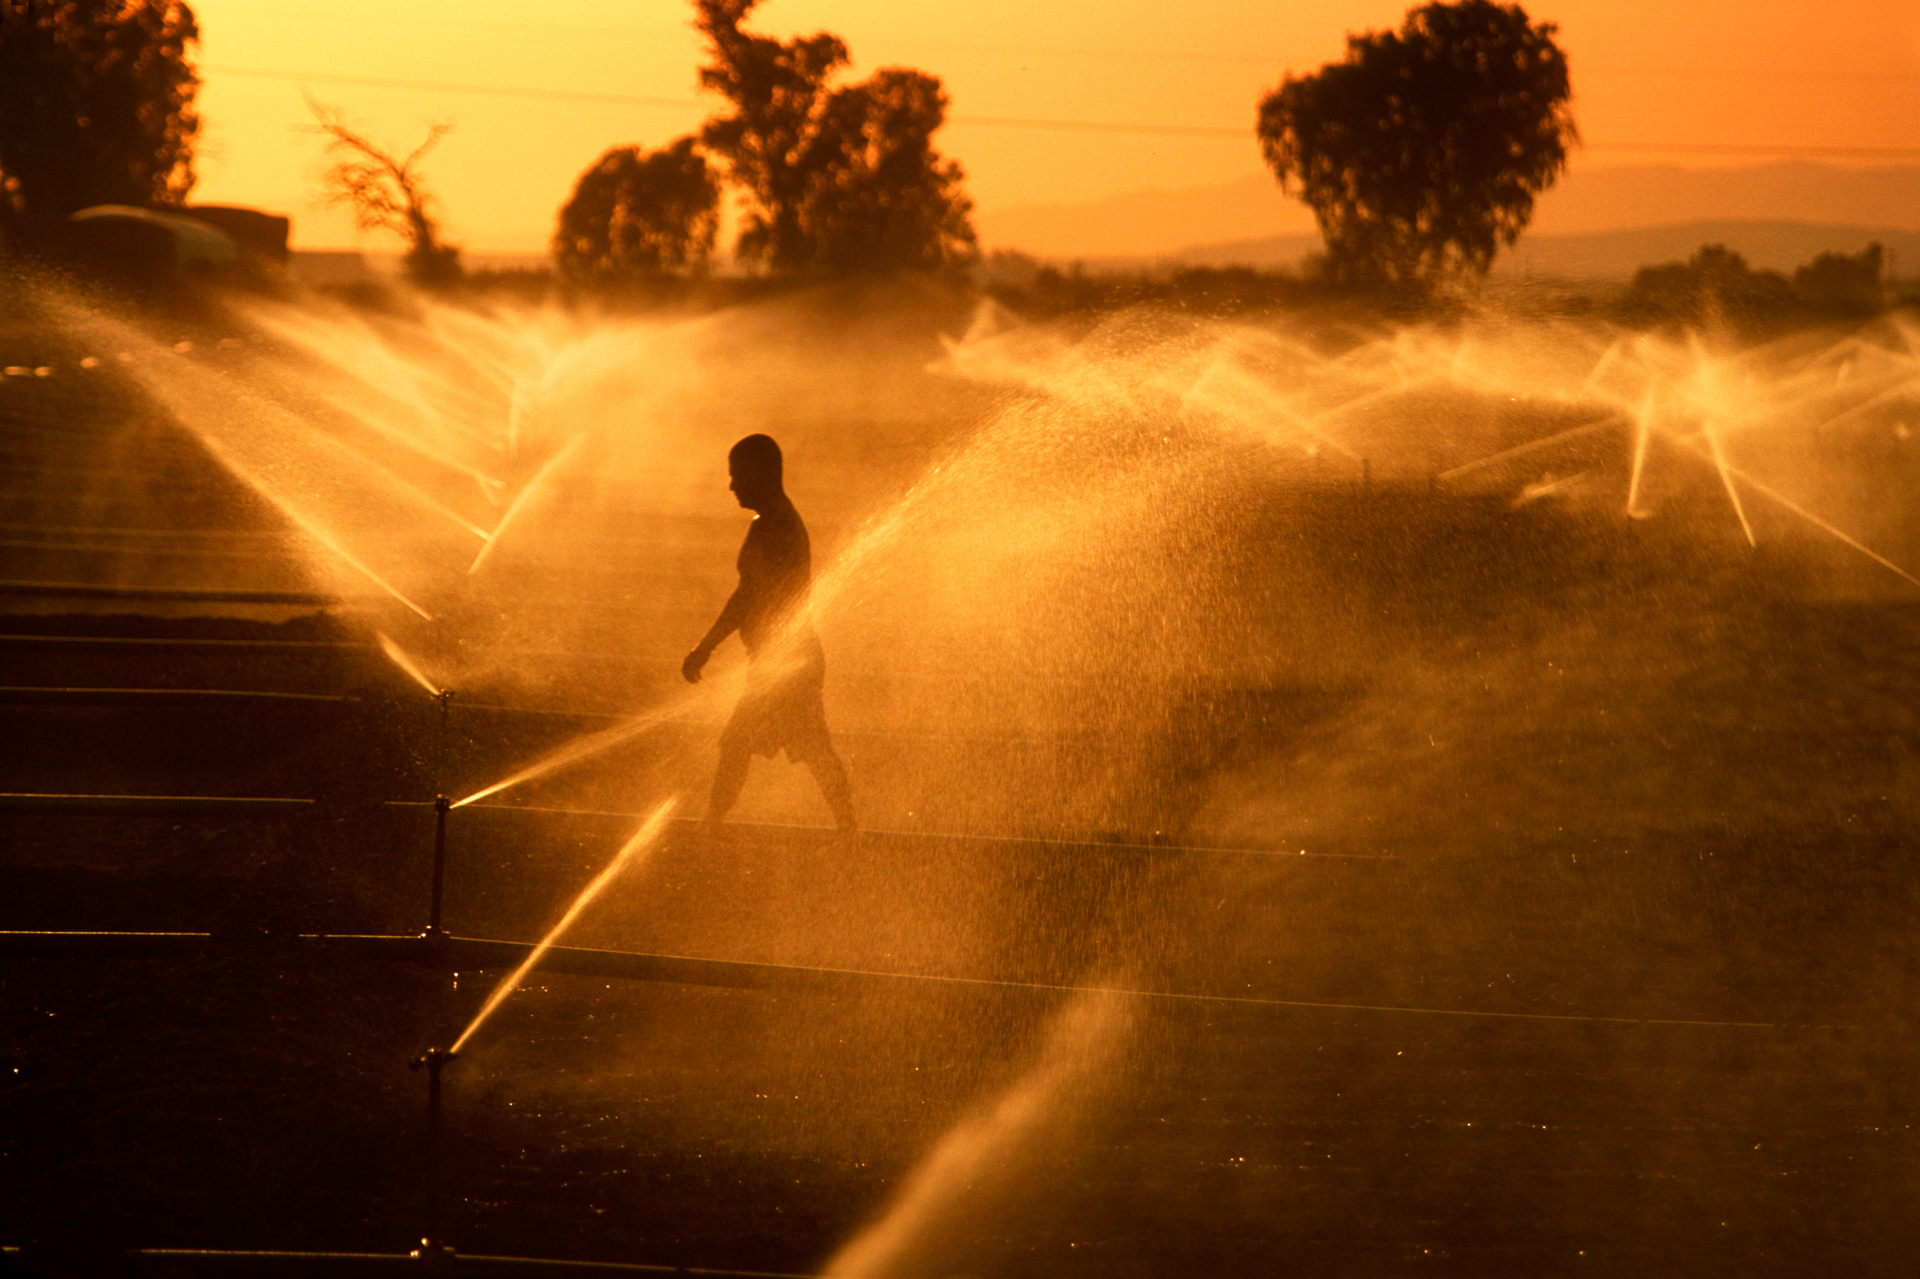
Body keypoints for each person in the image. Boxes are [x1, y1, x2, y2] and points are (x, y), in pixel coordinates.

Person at [683, 434, 856, 836]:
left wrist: (705, 648)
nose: (731, 485)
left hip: (787, 661)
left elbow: (746, 597)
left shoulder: (775, 524)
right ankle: (847, 827)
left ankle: (712, 824)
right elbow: (748, 595)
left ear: (758, 473)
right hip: (781, 658)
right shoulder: (772, 519)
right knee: (794, 745)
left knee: (750, 743)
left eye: (736, 474)